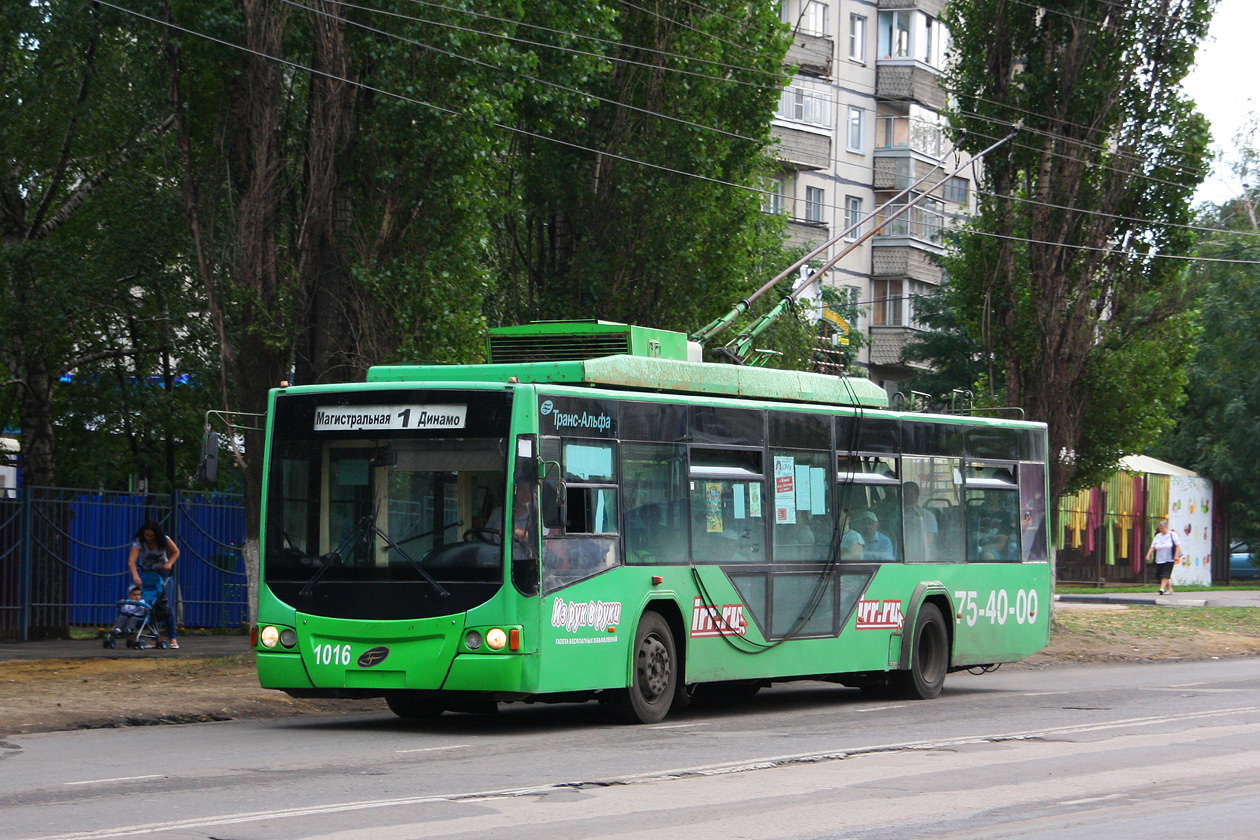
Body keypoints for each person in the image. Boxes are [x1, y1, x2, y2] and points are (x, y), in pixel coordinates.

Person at [128, 520, 180, 647]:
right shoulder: (139, 542)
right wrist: (136, 576)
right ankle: (154, 637)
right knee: (148, 604)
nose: (149, 538)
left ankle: (173, 637)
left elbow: (176, 552)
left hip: (162, 574)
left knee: (166, 604)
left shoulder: (164, 540)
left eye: (151, 536)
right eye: (147, 535)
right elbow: (131, 561)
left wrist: (169, 564)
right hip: (147, 575)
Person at [903, 481, 938, 562]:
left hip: (922, 557)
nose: (908, 497)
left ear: (917, 494)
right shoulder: (897, 514)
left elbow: (928, 542)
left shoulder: (928, 516)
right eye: (905, 494)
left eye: (911, 494)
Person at [1145, 518, 1181, 595]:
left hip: (1170, 558)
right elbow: (1153, 546)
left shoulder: (1172, 535)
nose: (1161, 530)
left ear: (1166, 527)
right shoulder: (1158, 536)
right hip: (1160, 558)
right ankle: (1170, 589)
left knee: (1165, 574)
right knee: (1159, 574)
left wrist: (1176, 555)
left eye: (1162, 528)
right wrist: (1148, 554)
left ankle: (1161, 589)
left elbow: (1177, 545)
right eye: (1160, 528)